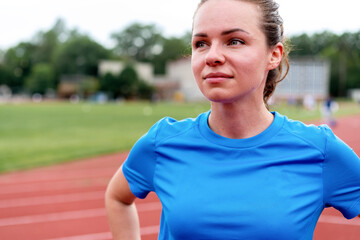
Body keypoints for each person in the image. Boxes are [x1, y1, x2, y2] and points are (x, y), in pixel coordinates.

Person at [105, 0, 360, 239]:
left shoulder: (320, 150)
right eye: (201, 43)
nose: (212, 56)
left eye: (234, 41)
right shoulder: (162, 142)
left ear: (274, 55)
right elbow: (117, 197)